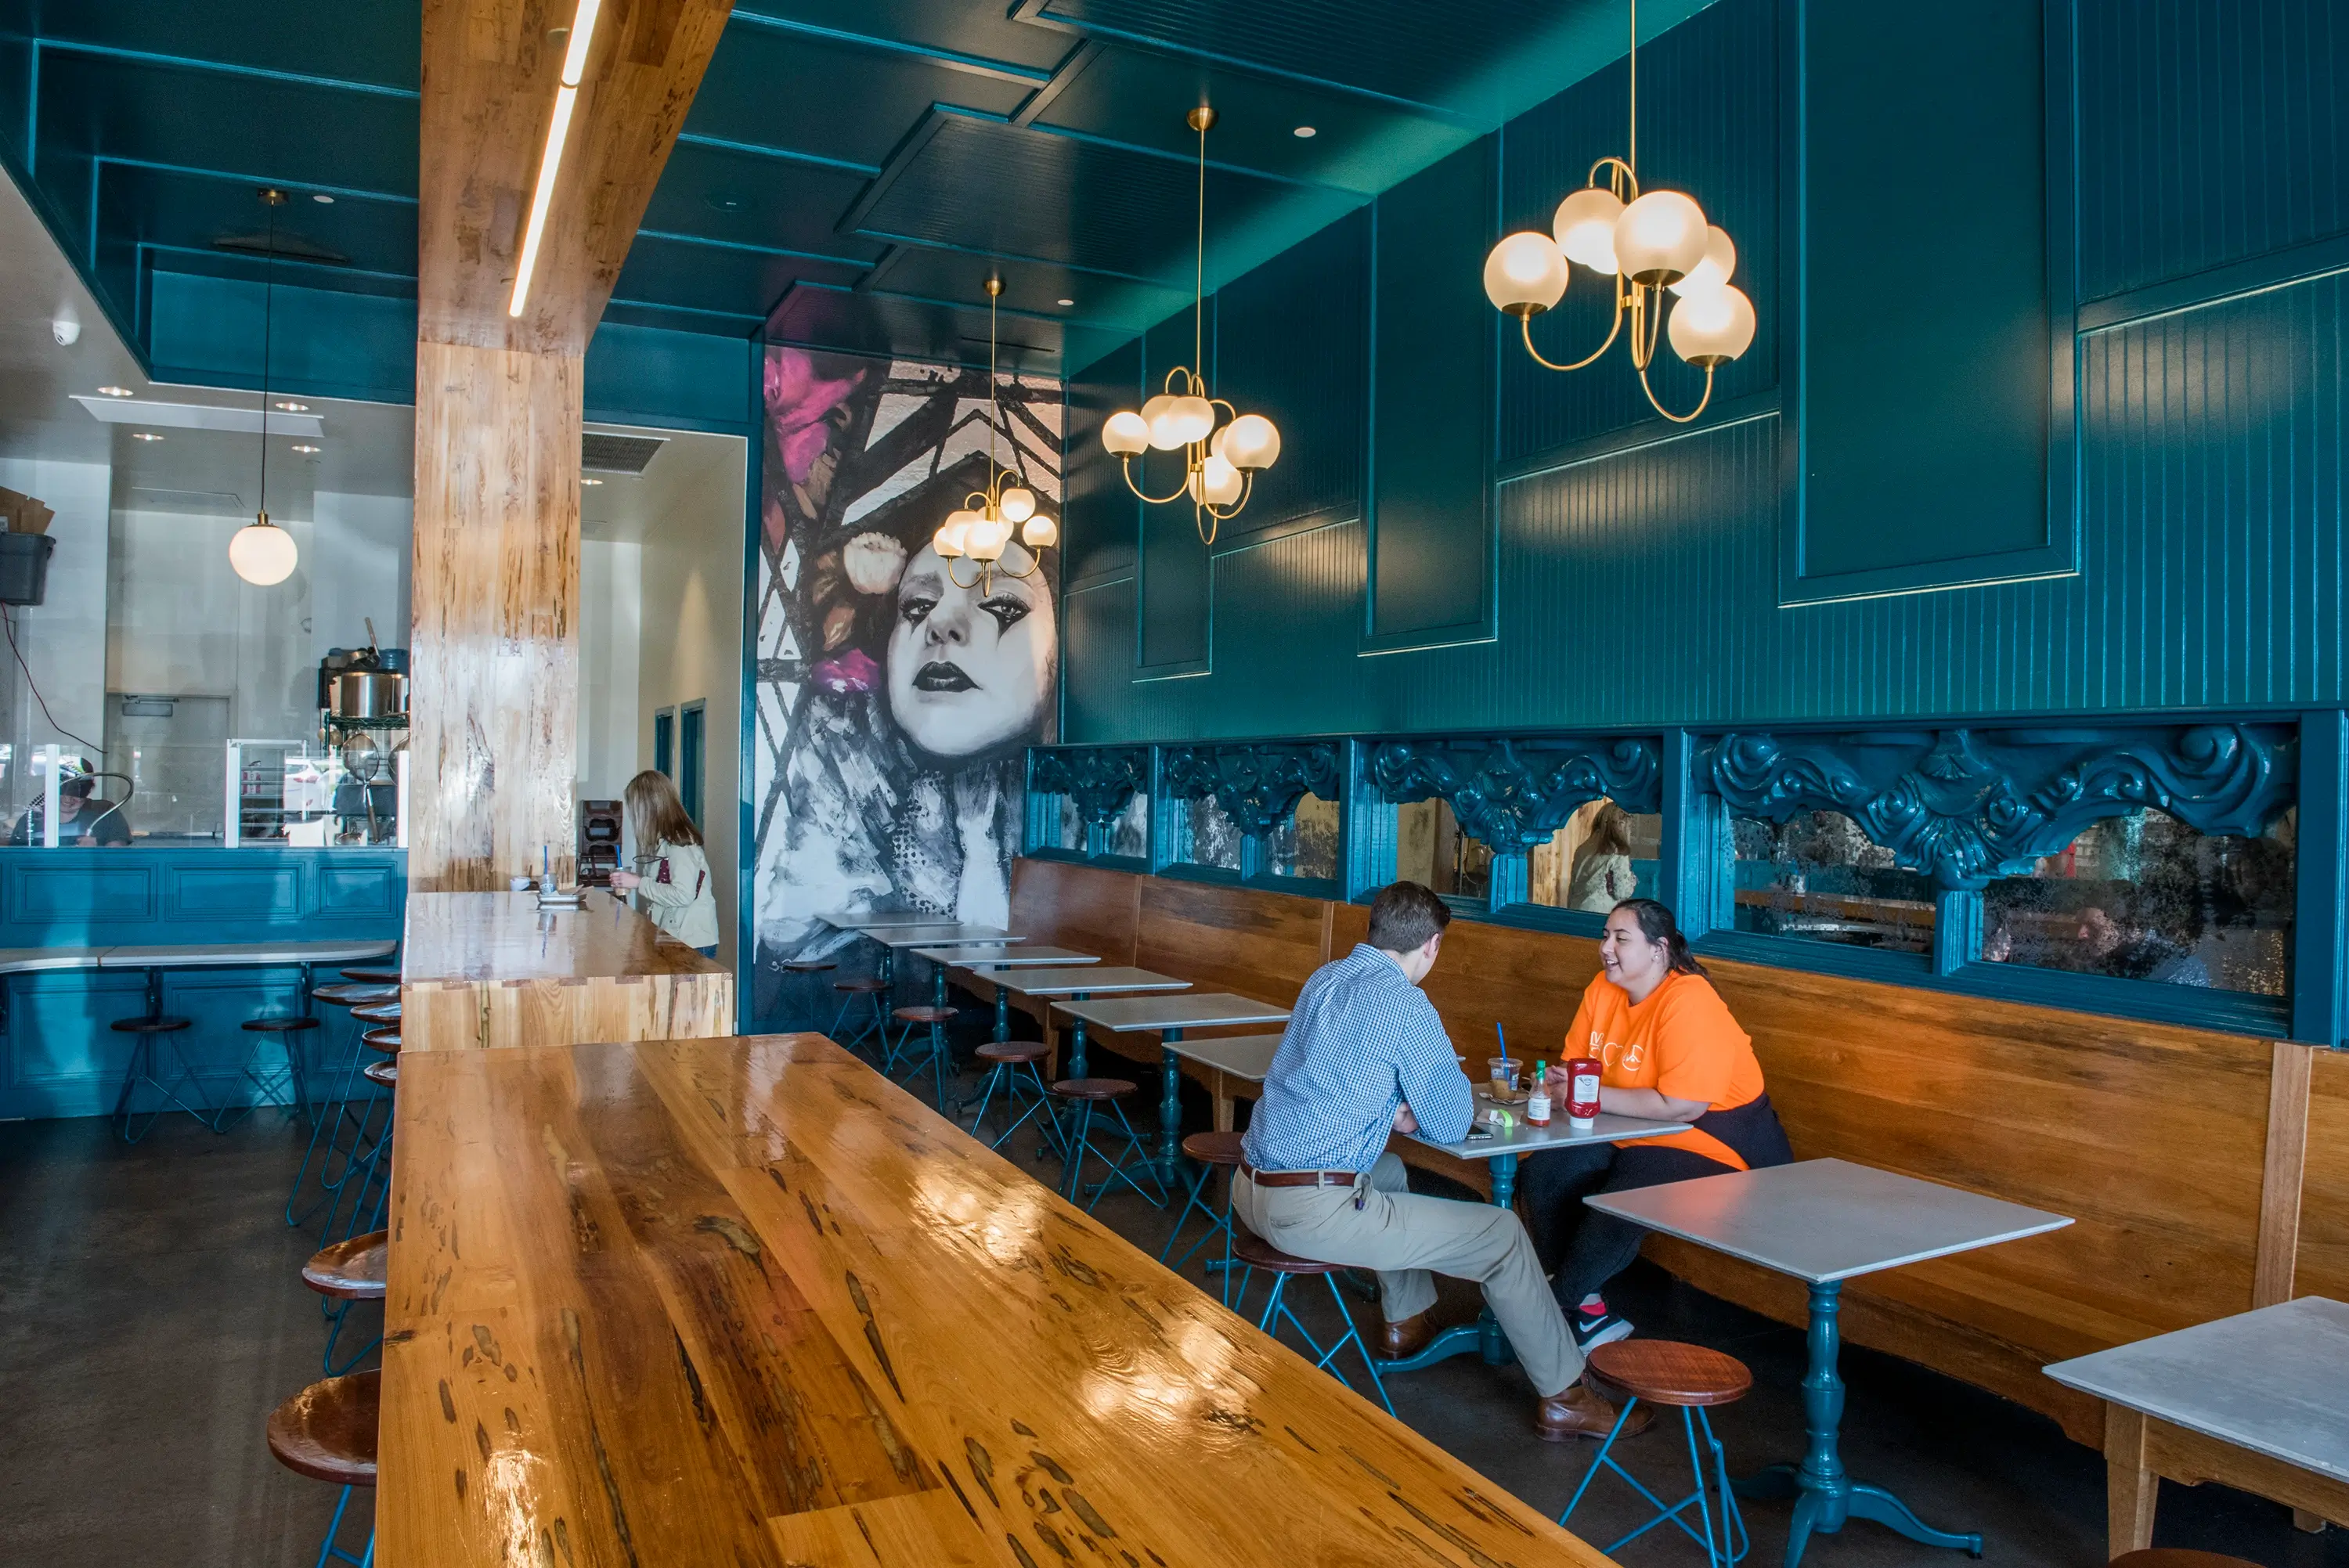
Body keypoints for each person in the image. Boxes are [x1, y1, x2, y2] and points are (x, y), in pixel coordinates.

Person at [1234, 880, 1648, 1441]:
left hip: (1250, 1189)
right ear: (1431, 945)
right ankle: (1567, 1395)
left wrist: (1390, 1104)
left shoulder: (1324, 979)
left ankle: (1404, 1321)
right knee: (1502, 1233)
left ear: (1373, 930)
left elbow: (1320, 1076)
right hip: (1311, 1211)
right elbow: (1452, 1123)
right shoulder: (1406, 1003)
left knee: (1388, 1173)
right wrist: (1413, 1101)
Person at [1519, 898, 1794, 1350]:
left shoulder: (1690, 1000)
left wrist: (1584, 1093)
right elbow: (1578, 1072)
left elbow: (1682, 1106)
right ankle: (1586, 1311)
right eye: (1604, 936)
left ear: (1659, 949)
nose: (1606, 947)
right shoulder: (1602, 989)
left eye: (1620, 938)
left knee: (1628, 1193)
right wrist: (1565, 1084)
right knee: (1547, 1169)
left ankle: (1547, 1310)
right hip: (1629, 1128)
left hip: (1715, 1140)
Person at [609, 770, 720, 956]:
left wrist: (638, 883)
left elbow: (683, 895)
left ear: (649, 808)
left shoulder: (679, 845)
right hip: (676, 937)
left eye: (634, 808)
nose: (632, 815)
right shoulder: (667, 842)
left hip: (691, 941)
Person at [7, 758, 131, 846]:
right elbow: (16, 853)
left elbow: (117, 851)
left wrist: (97, 845)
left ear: (90, 789)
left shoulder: (104, 811)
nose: (68, 800)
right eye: (63, 793)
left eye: (76, 796)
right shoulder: (33, 817)